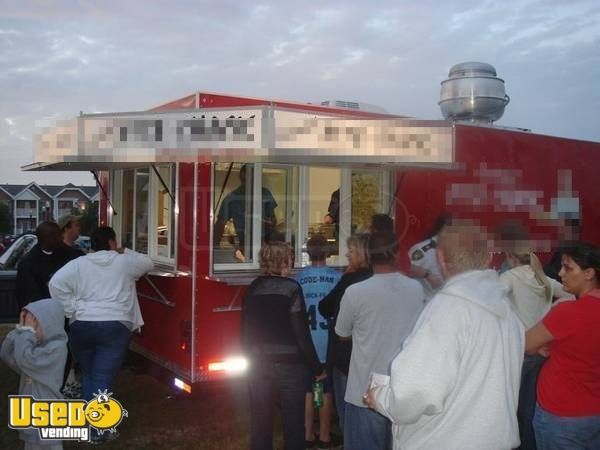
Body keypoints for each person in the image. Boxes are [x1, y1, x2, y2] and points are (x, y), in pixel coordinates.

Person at [365, 219, 524, 450]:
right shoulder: (509, 312)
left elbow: (413, 394)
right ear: (488, 257)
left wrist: (379, 397)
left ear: (440, 258)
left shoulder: (447, 310)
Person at [49, 226, 152, 442]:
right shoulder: (122, 261)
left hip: (82, 325)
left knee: (88, 374)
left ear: (91, 244)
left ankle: (88, 426)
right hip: (115, 326)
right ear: (112, 243)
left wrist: (71, 308)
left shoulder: (78, 264)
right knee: (102, 376)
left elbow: (55, 284)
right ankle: (99, 431)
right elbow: (148, 263)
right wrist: (126, 251)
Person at [336, 232, 426, 450]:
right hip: (403, 390)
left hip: (364, 391)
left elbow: (342, 333)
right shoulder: (416, 288)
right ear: (397, 255)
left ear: (369, 256)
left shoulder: (355, 292)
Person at [241, 241, 325, 450]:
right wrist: (316, 367)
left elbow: (245, 331)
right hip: (291, 367)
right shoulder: (292, 289)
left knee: (260, 423)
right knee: (294, 424)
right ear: (285, 262)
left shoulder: (253, 288)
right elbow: (301, 334)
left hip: (258, 364)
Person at [525, 241, 600, 450]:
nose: (560, 273)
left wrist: (543, 346)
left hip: (560, 414)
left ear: (589, 273)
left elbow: (527, 344)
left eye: (568, 268)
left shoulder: (568, 313)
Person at [319, 233, 372, 436]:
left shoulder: (350, 280)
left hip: (344, 356)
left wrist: (344, 277)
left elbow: (326, 307)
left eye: (351, 250)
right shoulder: (375, 277)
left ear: (360, 253)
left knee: (346, 411)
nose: (347, 254)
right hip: (367, 355)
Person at [1, 298, 68, 450]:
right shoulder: (33, 345)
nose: (30, 329)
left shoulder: (57, 347)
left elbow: (25, 359)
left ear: (50, 323)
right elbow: (7, 353)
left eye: (33, 324)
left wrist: (25, 333)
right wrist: (20, 329)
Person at [294, 234, 341, 449]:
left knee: (310, 389)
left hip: (307, 342)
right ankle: (324, 434)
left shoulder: (299, 280)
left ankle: (307, 433)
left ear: (308, 254)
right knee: (325, 389)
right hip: (328, 342)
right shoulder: (337, 278)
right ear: (328, 253)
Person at [214, 164, 277, 262]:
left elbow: (273, 220)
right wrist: (214, 247)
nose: (250, 180)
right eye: (247, 177)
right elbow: (220, 224)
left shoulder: (265, 193)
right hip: (246, 245)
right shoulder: (232, 198)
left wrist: (266, 222)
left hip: (264, 244)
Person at [15, 221, 82, 309]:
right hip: (41, 312)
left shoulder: (68, 254)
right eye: (58, 236)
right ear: (47, 238)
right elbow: (28, 296)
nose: (61, 238)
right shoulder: (28, 263)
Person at [407, 214, 447, 298]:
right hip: (426, 304)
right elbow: (406, 270)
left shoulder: (458, 250)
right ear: (442, 229)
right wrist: (427, 274)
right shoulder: (422, 250)